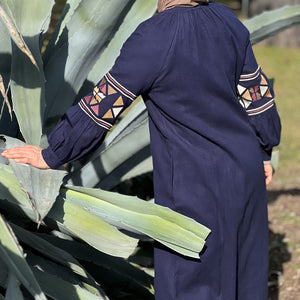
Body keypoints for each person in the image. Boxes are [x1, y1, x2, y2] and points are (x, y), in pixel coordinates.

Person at [2, 0, 281, 299]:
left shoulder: (155, 36)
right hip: (244, 171)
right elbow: (256, 93)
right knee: (244, 277)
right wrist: (264, 150)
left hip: (195, 187)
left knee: (189, 285)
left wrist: (52, 154)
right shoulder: (227, 21)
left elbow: (103, 105)